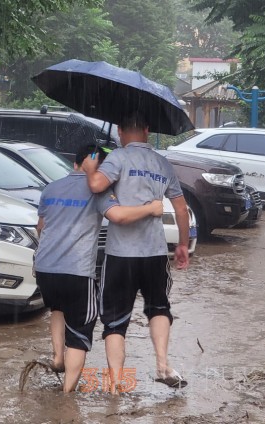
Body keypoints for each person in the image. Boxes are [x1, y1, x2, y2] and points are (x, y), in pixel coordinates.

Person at [34, 144, 164, 393]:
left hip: (45, 268)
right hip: (77, 272)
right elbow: (119, 217)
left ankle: (57, 357)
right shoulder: (98, 191)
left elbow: (40, 226)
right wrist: (151, 208)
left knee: (57, 307)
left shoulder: (50, 188)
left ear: (74, 163)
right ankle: (66, 396)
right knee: (80, 333)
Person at [81, 111, 190, 392]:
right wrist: (181, 244)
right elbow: (179, 208)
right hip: (154, 252)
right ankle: (163, 365)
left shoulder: (117, 157)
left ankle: (117, 383)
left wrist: (92, 166)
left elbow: (96, 186)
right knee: (159, 308)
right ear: (146, 128)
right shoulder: (163, 163)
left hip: (120, 255)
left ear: (120, 131)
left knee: (115, 322)